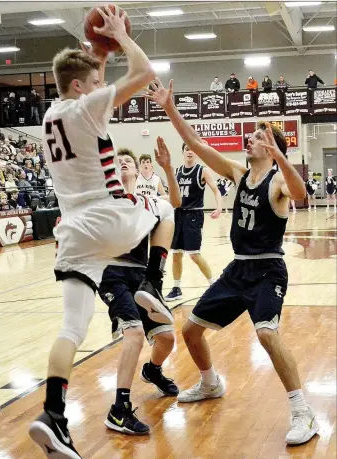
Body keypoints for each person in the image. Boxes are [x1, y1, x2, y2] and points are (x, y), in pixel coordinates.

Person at [28, 7, 174, 459]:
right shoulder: (90, 105)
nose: (100, 88)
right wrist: (120, 39)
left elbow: (89, 80)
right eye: (93, 83)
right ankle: (154, 280)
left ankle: (52, 415)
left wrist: (97, 55)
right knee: (166, 208)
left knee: (72, 326)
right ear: (80, 88)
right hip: (107, 218)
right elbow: (144, 71)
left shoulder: (54, 112)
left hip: (72, 231)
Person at [146, 77, 319, 446]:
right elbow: (195, 143)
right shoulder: (239, 174)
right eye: (253, 136)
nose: (251, 139)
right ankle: (211, 383)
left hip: (268, 268)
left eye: (259, 136)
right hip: (237, 268)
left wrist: (282, 155)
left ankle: (303, 411)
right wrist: (169, 107)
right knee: (191, 329)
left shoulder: (277, 183)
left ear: (271, 148)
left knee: (266, 332)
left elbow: (301, 194)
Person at [98, 139, 181, 435]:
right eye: (117, 161)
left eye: (128, 161)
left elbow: (175, 204)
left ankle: (152, 371)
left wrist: (168, 167)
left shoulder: (149, 202)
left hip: (141, 275)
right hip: (111, 273)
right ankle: (118, 410)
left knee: (168, 338)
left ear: (137, 170)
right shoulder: (105, 197)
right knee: (133, 333)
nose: (123, 163)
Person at [164, 142, 222, 302]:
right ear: (182, 152)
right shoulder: (177, 172)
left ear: (196, 153)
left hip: (194, 216)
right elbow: (172, 197)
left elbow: (216, 190)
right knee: (176, 254)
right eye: (187, 149)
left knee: (194, 255)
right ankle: (176, 288)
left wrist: (219, 207)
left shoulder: (202, 171)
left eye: (192, 149)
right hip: (178, 215)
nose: (189, 152)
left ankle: (213, 285)